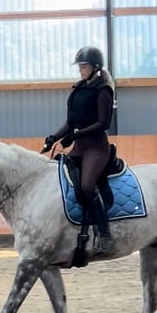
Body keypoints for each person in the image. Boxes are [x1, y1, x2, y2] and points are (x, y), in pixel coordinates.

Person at [41, 45, 116, 253]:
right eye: (80, 66)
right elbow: (70, 121)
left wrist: (76, 134)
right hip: (79, 147)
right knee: (57, 177)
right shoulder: (78, 89)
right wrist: (53, 138)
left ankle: (105, 232)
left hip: (96, 148)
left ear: (95, 67)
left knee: (86, 186)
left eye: (83, 66)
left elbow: (103, 123)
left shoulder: (103, 91)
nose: (80, 70)